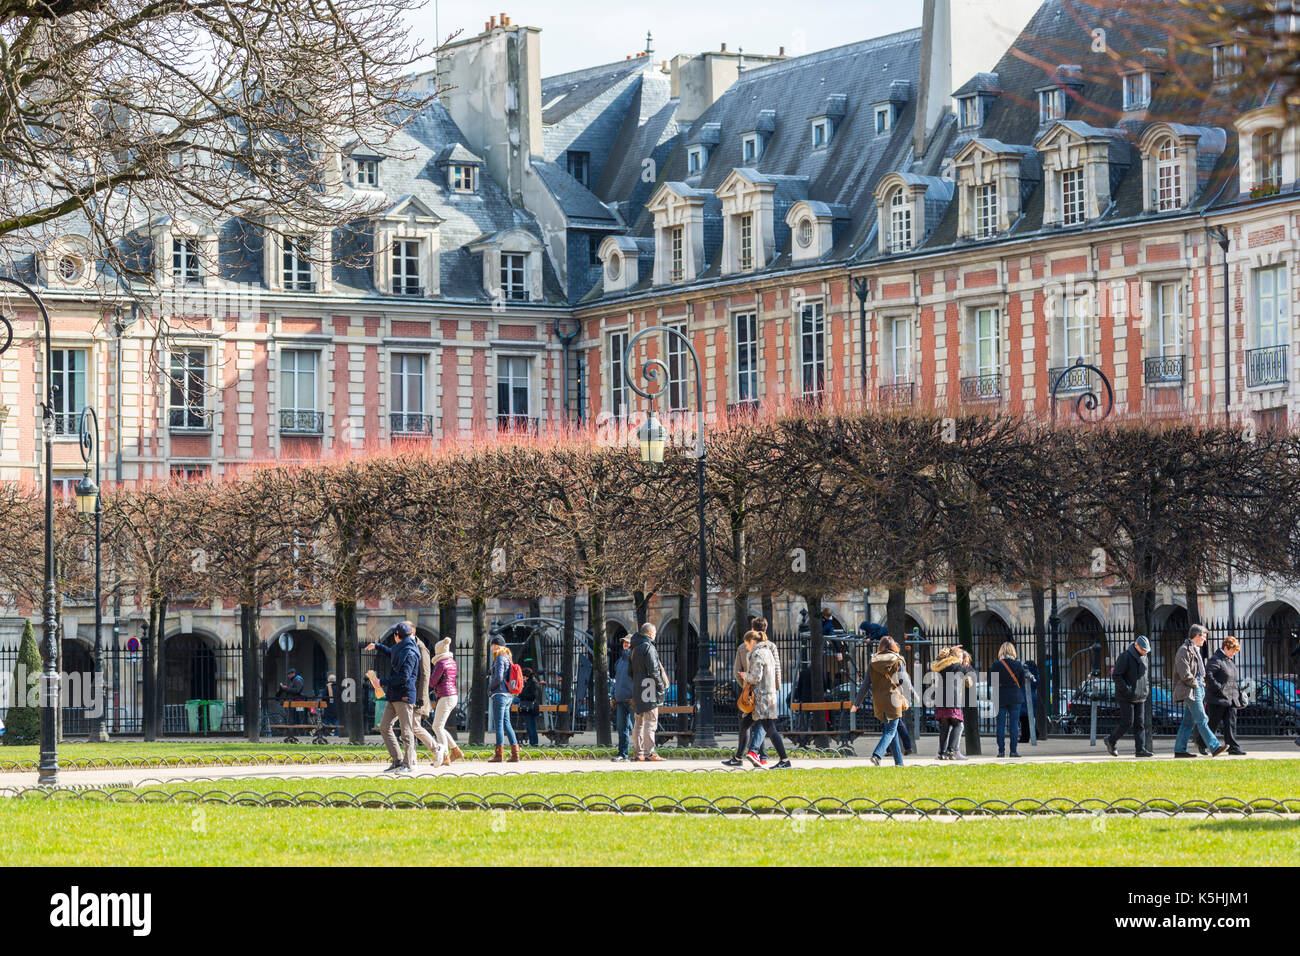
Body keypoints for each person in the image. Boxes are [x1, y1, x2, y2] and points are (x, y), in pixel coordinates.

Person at [365, 622, 419, 774]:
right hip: (394, 695)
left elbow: (404, 677)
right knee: (384, 727)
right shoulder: (401, 648)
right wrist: (377, 646)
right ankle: (397, 760)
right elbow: (392, 653)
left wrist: (381, 681)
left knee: (406, 731)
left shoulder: (410, 653)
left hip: (404, 695)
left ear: (397, 636)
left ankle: (408, 765)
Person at [1173, 624, 1229, 758]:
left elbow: (1198, 671)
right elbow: (1184, 672)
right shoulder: (1184, 650)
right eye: (1203, 637)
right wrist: (1196, 684)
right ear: (1197, 636)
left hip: (1197, 687)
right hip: (1191, 689)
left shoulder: (1194, 649)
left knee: (1188, 721)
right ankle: (1214, 747)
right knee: (1202, 719)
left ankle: (1179, 750)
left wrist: (1201, 684)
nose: (1204, 640)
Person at [852, 635, 906, 766]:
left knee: (891, 732)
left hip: (879, 701)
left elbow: (865, 684)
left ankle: (899, 763)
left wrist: (856, 703)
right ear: (893, 646)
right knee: (890, 731)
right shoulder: (898, 661)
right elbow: (903, 681)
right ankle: (877, 755)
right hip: (893, 700)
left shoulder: (873, 662)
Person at [743, 629, 791, 769]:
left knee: (770, 728)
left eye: (747, 644)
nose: (746, 647)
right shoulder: (768, 651)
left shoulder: (757, 653)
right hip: (769, 695)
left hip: (761, 698)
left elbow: (756, 677)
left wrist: (745, 675)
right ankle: (742, 755)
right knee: (746, 724)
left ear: (752, 642)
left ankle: (784, 760)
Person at [725, 616, 769, 767]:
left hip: (749, 692)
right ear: (765, 629)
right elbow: (776, 671)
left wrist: (745, 687)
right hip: (765, 690)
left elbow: (737, 672)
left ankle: (748, 756)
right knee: (762, 722)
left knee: (750, 723)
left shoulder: (742, 647)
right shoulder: (769, 647)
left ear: (752, 627)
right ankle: (759, 755)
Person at [1105, 635, 1154, 758]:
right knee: (1127, 722)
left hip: (1141, 695)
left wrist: (1146, 690)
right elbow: (1116, 675)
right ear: (1136, 645)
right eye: (1143, 649)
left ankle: (1140, 750)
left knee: (1140, 723)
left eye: (1146, 650)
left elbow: (1145, 677)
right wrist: (1127, 690)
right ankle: (1111, 740)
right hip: (1126, 696)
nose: (1145, 652)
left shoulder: (1145, 658)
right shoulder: (1125, 656)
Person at [629, 622, 667, 762]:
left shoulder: (634, 648)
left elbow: (629, 671)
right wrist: (660, 685)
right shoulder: (648, 647)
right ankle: (649, 752)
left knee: (638, 721)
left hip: (637, 687)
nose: (655, 635)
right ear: (650, 633)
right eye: (655, 633)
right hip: (649, 687)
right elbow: (654, 670)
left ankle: (638, 752)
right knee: (650, 722)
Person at [1205, 635, 1246, 756]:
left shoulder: (1228, 660)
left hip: (1231, 698)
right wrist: (1219, 689)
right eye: (1233, 651)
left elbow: (1231, 679)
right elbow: (1208, 675)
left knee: (1231, 723)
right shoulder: (1216, 659)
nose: (1234, 653)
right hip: (1218, 698)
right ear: (1226, 648)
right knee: (1213, 723)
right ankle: (1203, 744)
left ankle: (1233, 747)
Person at [931, 647, 974, 760]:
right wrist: (966, 665)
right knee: (958, 725)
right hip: (952, 699)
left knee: (944, 727)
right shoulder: (957, 666)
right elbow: (970, 671)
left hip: (940, 699)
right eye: (960, 657)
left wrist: (949, 649)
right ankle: (950, 750)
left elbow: (937, 659)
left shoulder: (941, 665)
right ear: (955, 657)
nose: (961, 660)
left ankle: (940, 753)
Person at [990, 642, 1027, 758]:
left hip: (1000, 696)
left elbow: (992, 682)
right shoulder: (1018, 664)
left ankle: (1001, 751)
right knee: (1014, 725)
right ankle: (1013, 751)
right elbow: (1021, 682)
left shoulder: (996, 665)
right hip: (1015, 696)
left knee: (1000, 725)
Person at [487, 636, 520, 763]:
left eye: (492, 645)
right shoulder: (508, 657)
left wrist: (490, 688)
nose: (491, 647)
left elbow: (499, 677)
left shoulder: (500, 658)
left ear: (496, 646)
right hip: (508, 696)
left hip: (500, 694)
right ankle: (515, 753)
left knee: (499, 725)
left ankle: (499, 754)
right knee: (507, 724)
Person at [429, 637, 461, 765]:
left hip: (445, 696)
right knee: (440, 726)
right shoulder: (452, 662)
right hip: (452, 695)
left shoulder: (440, 663)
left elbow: (432, 682)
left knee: (436, 726)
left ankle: (445, 756)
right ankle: (455, 750)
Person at [612, 634, 634, 761]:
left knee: (636, 729)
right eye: (624, 642)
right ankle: (623, 754)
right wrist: (613, 695)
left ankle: (638, 753)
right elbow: (616, 680)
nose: (625, 644)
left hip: (632, 700)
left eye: (628, 642)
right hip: (620, 699)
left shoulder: (634, 660)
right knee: (622, 729)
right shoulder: (619, 662)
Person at [518, 667, 542, 747]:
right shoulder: (528, 683)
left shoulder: (533, 683)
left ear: (527, 676)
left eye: (523, 676)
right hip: (528, 707)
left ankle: (534, 743)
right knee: (529, 726)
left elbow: (533, 696)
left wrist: (521, 695)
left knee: (531, 726)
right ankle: (532, 742)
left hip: (532, 707)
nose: (522, 678)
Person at [322, 672, 339, 736]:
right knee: (336, 720)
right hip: (336, 706)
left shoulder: (327, 687)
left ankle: (327, 733)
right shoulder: (338, 687)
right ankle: (337, 733)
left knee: (327, 720)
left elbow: (323, 697)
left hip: (328, 706)